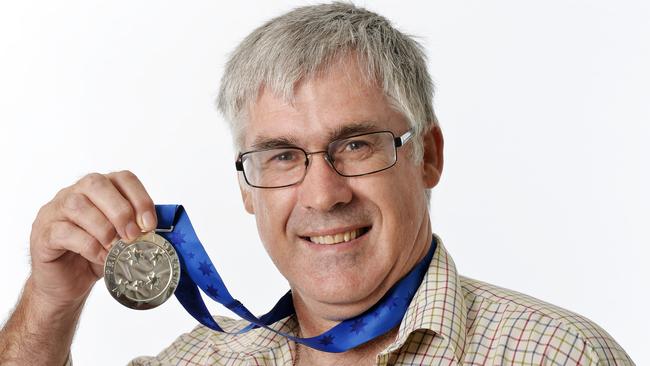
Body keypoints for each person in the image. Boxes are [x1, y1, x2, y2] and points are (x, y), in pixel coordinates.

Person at [0, 3, 634, 365]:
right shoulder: (199, 361)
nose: (324, 194)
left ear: (429, 156)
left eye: (355, 144)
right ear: (247, 189)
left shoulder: (561, 356)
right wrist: (50, 302)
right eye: (280, 156)